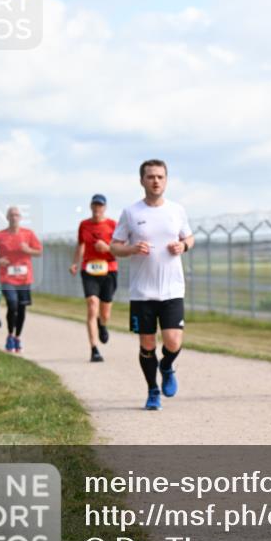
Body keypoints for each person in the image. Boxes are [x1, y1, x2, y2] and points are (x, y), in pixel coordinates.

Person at [110, 160, 194, 411]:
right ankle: (152, 391)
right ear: (142, 181)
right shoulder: (131, 212)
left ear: (166, 180)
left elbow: (189, 237)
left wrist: (183, 245)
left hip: (172, 289)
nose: (155, 181)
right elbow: (114, 246)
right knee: (147, 344)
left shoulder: (177, 210)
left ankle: (166, 366)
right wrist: (131, 249)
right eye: (150, 177)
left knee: (173, 341)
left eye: (160, 176)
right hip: (142, 292)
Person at [70, 194, 119, 362]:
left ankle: (102, 324)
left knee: (105, 313)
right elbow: (80, 245)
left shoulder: (113, 225)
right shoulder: (84, 225)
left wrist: (107, 248)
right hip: (89, 269)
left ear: (105, 208)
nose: (97, 208)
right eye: (95, 205)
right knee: (92, 305)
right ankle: (94, 349)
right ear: (91, 206)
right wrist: (75, 263)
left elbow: (121, 248)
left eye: (100, 205)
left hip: (109, 270)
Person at [0, 206, 43, 353]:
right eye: (11, 215)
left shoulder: (28, 234)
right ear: (7, 217)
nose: (14, 217)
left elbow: (39, 252)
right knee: (12, 304)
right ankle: (10, 335)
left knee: (21, 308)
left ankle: (17, 337)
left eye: (17, 215)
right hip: (7, 277)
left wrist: (28, 250)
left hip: (24, 278)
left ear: (20, 218)